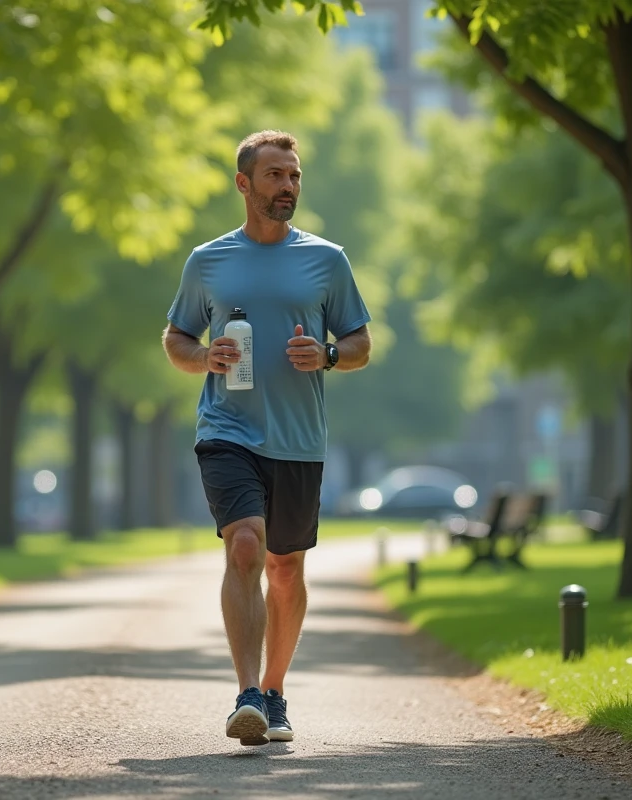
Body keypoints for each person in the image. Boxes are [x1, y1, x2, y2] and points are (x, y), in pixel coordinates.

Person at [161, 130, 373, 746]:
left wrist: (329, 354)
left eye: (295, 176)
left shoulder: (327, 259)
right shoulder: (208, 261)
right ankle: (248, 693)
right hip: (227, 430)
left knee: (284, 568)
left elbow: (361, 344)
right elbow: (175, 340)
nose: (288, 187)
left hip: (298, 439)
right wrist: (204, 358)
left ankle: (276, 692)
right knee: (246, 548)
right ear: (244, 183)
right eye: (276, 175)